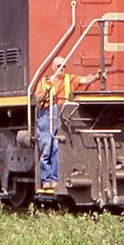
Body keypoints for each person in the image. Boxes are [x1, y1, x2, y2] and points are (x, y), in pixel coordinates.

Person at [33, 57, 99, 188]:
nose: (61, 69)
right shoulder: (45, 81)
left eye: (63, 66)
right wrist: (47, 90)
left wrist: (96, 76)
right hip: (48, 115)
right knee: (46, 148)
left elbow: (84, 79)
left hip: (64, 115)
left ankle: (55, 178)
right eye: (59, 66)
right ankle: (45, 180)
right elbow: (38, 98)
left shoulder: (70, 79)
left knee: (58, 148)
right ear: (53, 67)